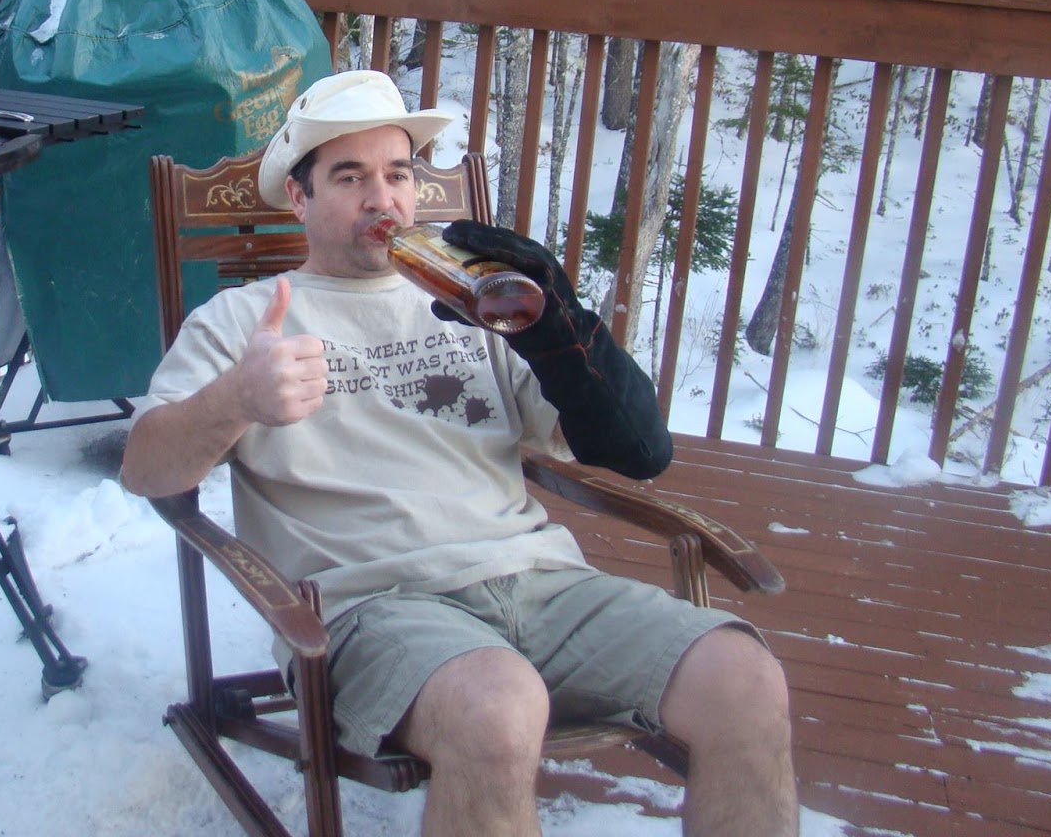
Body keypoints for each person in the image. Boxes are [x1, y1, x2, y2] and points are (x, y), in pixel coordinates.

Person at [121, 70, 796, 837]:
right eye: (350, 176)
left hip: (542, 584)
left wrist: (562, 325)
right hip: (374, 607)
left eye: (398, 173)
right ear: (300, 199)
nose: (383, 200)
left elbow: (623, 444)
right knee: (497, 710)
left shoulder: (476, 306)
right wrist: (235, 400)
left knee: (747, 681)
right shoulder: (244, 321)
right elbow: (146, 471)